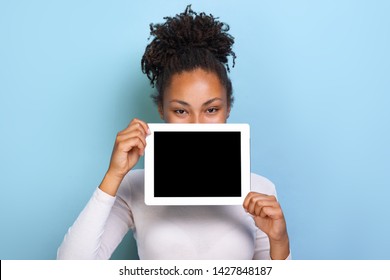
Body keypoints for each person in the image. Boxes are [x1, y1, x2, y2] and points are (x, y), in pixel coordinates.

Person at [57, 5, 291, 260]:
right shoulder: (135, 187)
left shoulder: (259, 189)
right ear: (161, 110)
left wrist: (279, 241)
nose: (197, 126)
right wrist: (114, 175)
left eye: (211, 109)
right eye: (181, 111)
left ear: (228, 109)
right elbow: (71, 268)